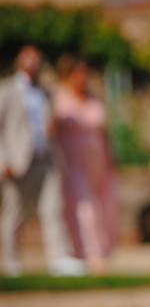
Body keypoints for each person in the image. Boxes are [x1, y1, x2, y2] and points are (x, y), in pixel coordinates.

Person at [0, 45, 82, 276]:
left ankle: (59, 258)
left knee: (53, 208)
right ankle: (12, 261)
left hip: (46, 158)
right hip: (16, 161)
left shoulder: (45, 92)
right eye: (30, 60)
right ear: (20, 62)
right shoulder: (6, 91)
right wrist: (2, 159)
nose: (34, 64)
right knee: (14, 212)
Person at [53, 57, 118, 275]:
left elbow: (104, 131)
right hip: (74, 163)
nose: (83, 77)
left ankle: (102, 249)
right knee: (85, 209)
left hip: (99, 163)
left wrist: (111, 156)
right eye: (78, 72)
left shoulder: (92, 97)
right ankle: (90, 254)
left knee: (104, 208)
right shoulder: (59, 98)